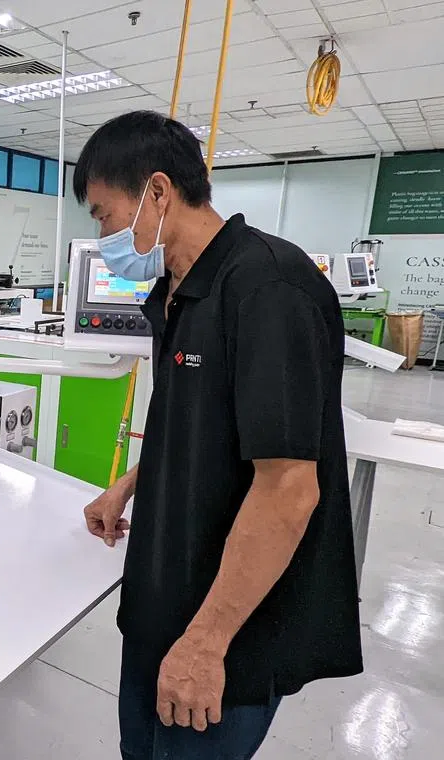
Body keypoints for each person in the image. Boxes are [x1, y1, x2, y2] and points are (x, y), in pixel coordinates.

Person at [73, 111, 363, 760]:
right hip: (159, 607)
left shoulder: (268, 287)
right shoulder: (174, 293)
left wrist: (207, 641)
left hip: (227, 634)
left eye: (101, 214)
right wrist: (128, 484)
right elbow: (198, 425)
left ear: (156, 192)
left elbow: (288, 488)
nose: (101, 235)